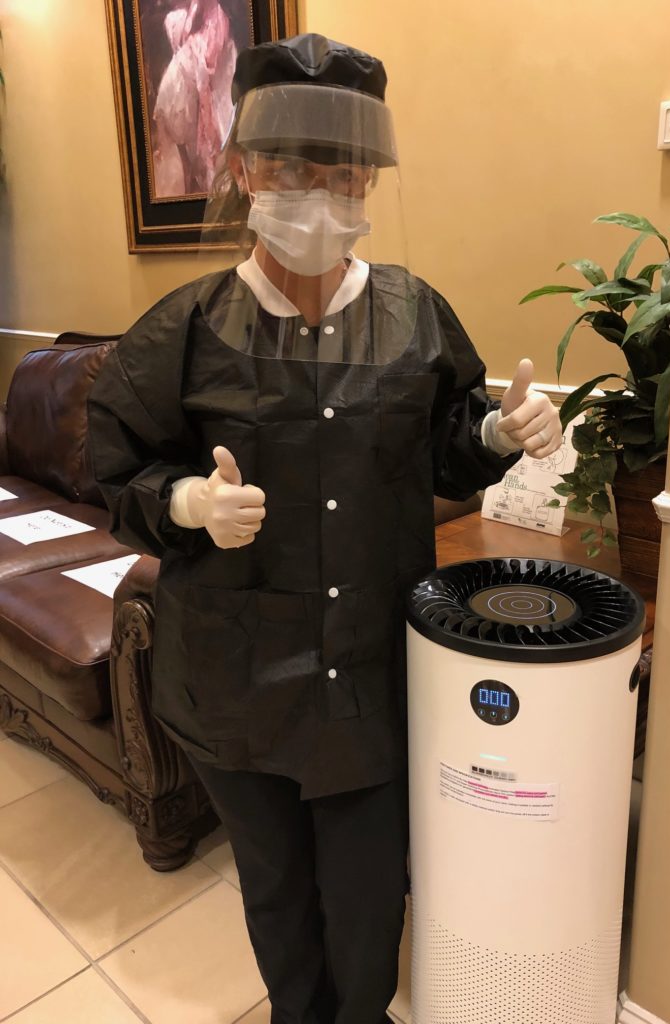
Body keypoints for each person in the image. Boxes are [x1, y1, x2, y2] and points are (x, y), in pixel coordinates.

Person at [88, 33, 562, 1024]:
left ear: (369, 178)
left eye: (341, 167)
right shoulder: (188, 328)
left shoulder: (411, 314)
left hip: (367, 677)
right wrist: (183, 505)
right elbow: (117, 466)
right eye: (292, 163)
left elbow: (444, 446)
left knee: (365, 895)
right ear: (245, 169)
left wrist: (496, 433)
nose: (318, 188)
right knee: (275, 893)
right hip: (230, 676)